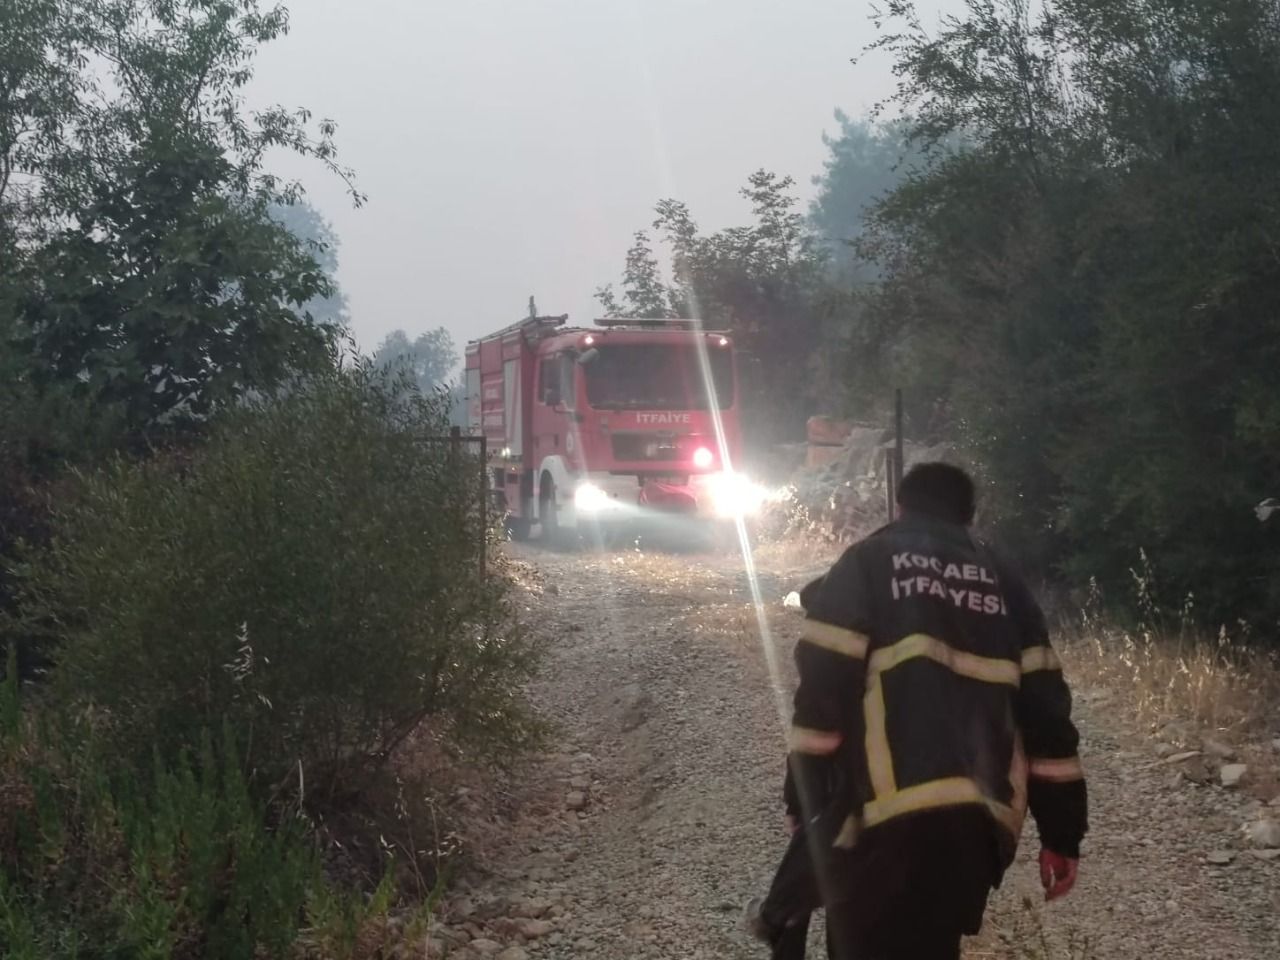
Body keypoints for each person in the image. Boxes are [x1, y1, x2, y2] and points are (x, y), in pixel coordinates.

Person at [747, 462, 1088, 960]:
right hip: (972, 829)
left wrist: (804, 801)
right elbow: (1048, 720)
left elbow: (821, 697)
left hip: (877, 822)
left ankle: (779, 916)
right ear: (969, 516)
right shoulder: (1006, 582)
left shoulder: (866, 562)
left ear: (900, 507)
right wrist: (1062, 835)